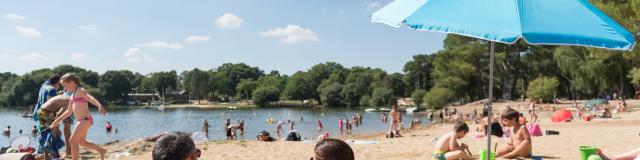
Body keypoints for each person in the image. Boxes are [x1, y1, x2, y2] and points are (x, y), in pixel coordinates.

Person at [50, 73, 107, 160]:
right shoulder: (72, 95)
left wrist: (99, 105)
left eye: (65, 85)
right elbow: (68, 111)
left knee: (72, 141)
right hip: (81, 121)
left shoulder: (80, 90)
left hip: (85, 120)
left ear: (72, 82)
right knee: (81, 142)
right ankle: (102, 150)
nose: (64, 88)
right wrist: (57, 120)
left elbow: (90, 97)